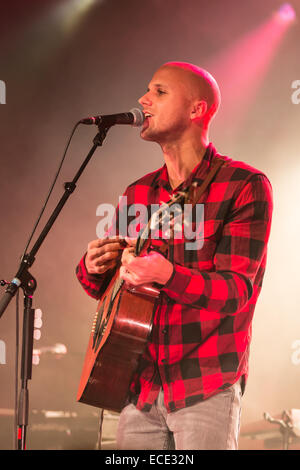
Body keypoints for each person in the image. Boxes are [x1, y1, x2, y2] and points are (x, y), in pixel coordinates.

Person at [76, 62, 273, 450]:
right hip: (139, 388)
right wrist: (93, 266)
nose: (142, 100)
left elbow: (236, 292)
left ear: (196, 110)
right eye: (147, 90)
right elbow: (105, 290)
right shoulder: (138, 193)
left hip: (206, 386)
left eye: (159, 92)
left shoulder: (244, 186)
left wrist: (168, 275)